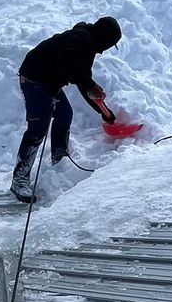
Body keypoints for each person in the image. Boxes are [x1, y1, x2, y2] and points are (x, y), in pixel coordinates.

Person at [12, 16, 123, 201]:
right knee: (38, 129)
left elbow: (81, 81)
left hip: (49, 82)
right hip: (34, 78)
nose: (106, 51)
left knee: (64, 114)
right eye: (109, 45)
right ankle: (19, 179)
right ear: (105, 40)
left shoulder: (88, 43)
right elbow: (65, 61)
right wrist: (89, 83)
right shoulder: (81, 40)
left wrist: (104, 112)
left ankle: (59, 158)